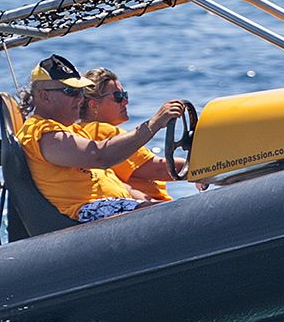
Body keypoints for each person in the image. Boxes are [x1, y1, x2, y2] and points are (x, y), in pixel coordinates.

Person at [17, 54, 188, 222]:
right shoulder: (42, 132)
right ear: (44, 95)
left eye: (81, 91)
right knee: (176, 216)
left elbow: (114, 180)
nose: (80, 98)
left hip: (111, 205)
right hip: (88, 211)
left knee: (174, 210)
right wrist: (153, 125)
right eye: (71, 91)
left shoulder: (72, 130)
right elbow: (99, 156)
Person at [80, 67, 180, 202]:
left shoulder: (82, 132)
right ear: (93, 105)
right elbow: (158, 169)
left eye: (125, 95)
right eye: (118, 97)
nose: (125, 101)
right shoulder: (100, 130)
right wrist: (204, 165)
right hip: (149, 211)